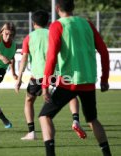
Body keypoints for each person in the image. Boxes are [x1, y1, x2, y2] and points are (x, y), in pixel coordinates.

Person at [39, 0, 112, 156]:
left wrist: (45, 85)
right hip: (88, 80)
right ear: (73, 8)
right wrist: (105, 78)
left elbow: (51, 57)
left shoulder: (57, 25)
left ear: (57, 8)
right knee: (92, 119)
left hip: (68, 82)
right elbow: (104, 51)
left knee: (44, 116)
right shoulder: (87, 24)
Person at [15, 10, 85, 140]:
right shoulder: (54, 33)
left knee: (29, 101)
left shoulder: (29, 37)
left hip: (38, 76)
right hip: (56, 73)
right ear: (48, 22)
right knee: (71, 95)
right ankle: (75, 120)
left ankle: (31, 132)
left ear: (33, 23)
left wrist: (19, 79)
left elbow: (24, 59)